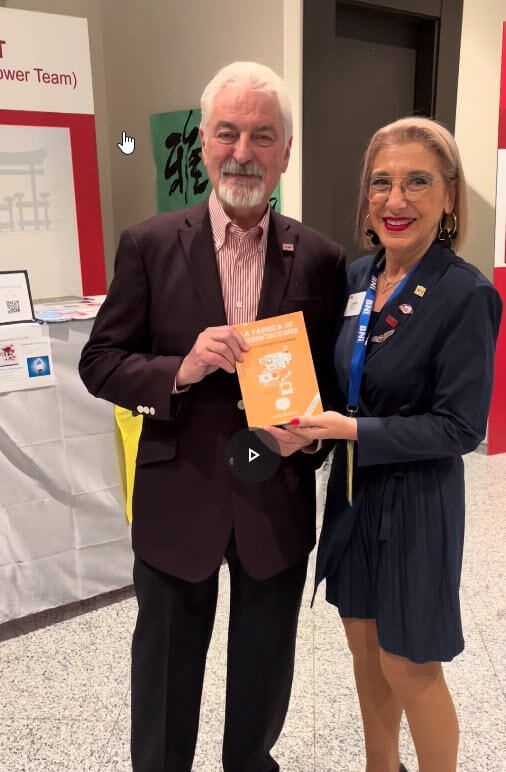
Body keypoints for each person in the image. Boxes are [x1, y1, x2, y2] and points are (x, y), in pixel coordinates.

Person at [79, 61, 346, 772]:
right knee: (165, 680)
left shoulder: (320, 259)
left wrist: (307, 442)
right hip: (179, 498)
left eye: (263, 136)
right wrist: (179, 369)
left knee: (263, 679)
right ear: (203, 144)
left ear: (286, 151)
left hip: (274, 501)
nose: (242, 152)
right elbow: (99, 362)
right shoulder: (149, 245)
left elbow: (332, 387)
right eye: (227, 133)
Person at [285, 117, 502, 772]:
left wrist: (353, 430)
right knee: (364, 648)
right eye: (382, 182)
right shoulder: (357, 279)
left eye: (418, 182)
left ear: (450, 196)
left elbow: (460, 427)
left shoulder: (465, 293)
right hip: (353, 491)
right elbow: (340, 386)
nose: (396, 199)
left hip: (417, 499)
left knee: (410, 665)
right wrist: (304, 428)